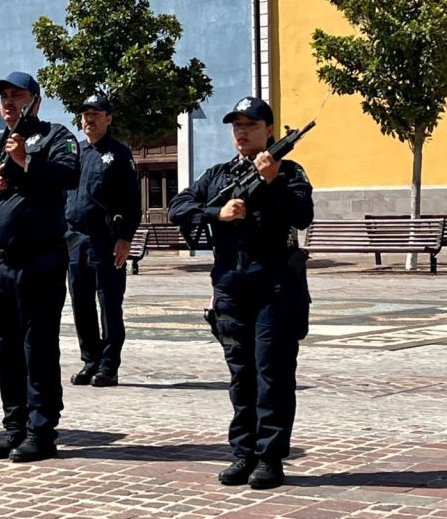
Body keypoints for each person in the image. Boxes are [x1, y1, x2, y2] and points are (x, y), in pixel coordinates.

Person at [167, 96, 312, 489]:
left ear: (269, 130)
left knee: (272, 372)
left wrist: (272, 181)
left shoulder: (289, 171)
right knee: (241, 374)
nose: (242, 132)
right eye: (237, 126)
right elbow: (178, 206)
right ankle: (243, 453)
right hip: (231, 284)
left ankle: (270, 458)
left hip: (274, 287)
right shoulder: (219, 175)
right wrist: (217, 213)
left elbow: (302, 215)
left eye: (250, 125)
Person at [0, 71, 80, 462]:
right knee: (3, 347)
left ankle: (41, 431)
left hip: (37, 262)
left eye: (17, 95)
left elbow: (69, 174)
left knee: (37, 348)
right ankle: (15, 427)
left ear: (35, 101)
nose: (9, 103)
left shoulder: (56, 137)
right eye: (4, 96)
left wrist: (25, 161)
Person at [64, 94, 141, 388]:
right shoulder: (74, 153)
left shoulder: (118, 154)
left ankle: (109, 365)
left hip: (105, 239)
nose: (89, 120)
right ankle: (90, 360)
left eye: (96, 114)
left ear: (108, 118)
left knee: (109, 304)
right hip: (74, 240)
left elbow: (132, 203)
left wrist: (125, 238)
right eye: (85, 115)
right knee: (81, 304)